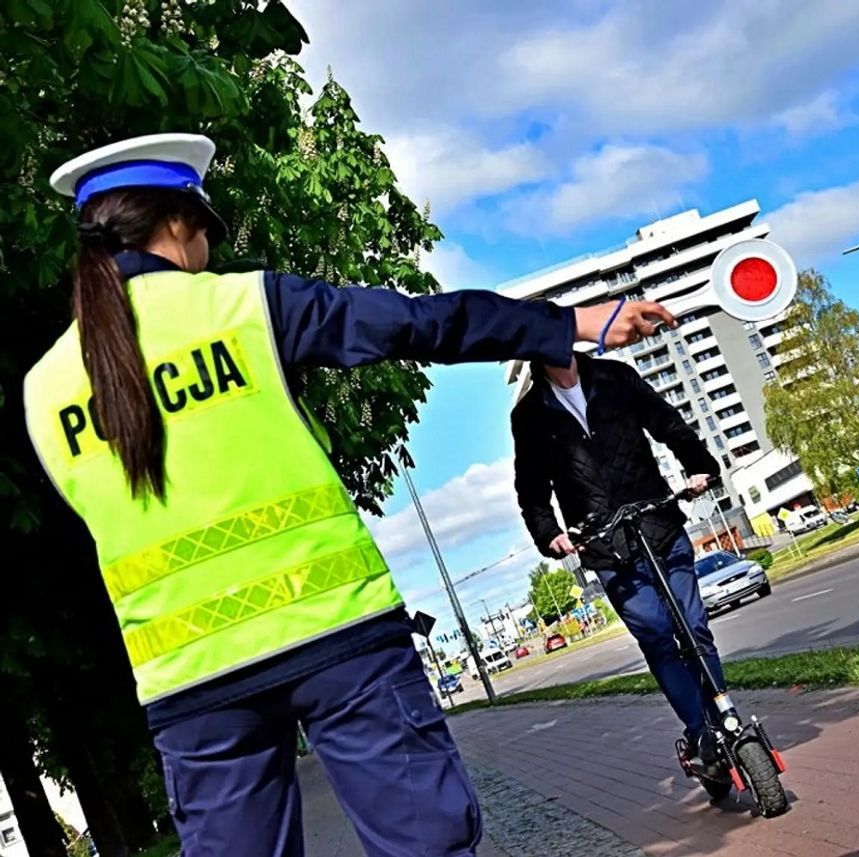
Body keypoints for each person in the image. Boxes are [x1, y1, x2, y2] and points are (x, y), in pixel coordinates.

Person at [23, 133, 674, 857]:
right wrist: (566, 324)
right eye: (208, 229)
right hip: (340, 640)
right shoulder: (249, 306)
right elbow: (422, 323)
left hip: (192, 685)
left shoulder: (42, 390)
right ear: (179, 222)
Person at [510, 352, 727, 771]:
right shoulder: (530, 415)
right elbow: (531, 489)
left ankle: (726, 717)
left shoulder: (615, 377)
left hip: (660, 523)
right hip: (607, 547)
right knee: (657, 636)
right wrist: (548, 533)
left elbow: (667, 423)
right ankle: (702, 735)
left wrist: (699, 466)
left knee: (694, 625)